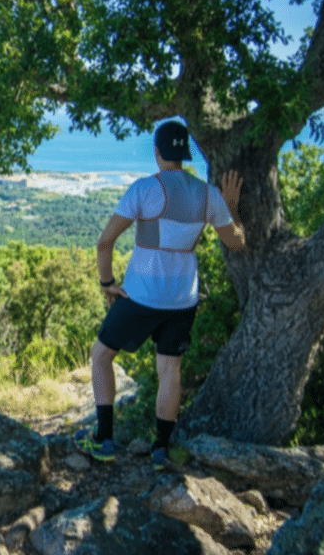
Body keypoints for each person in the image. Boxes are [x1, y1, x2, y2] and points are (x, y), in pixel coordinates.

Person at [74, 119, 245, 470]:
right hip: (183, 298)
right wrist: (231, 206)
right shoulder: (209, 195)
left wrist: (107, 283)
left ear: (157, 152)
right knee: (170, 369)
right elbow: (236, 242)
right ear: (185, 154)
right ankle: (160, 450)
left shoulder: (143, 190)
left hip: (140, 295)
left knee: (101, 355)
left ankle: (104, 438)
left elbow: (105, 241)